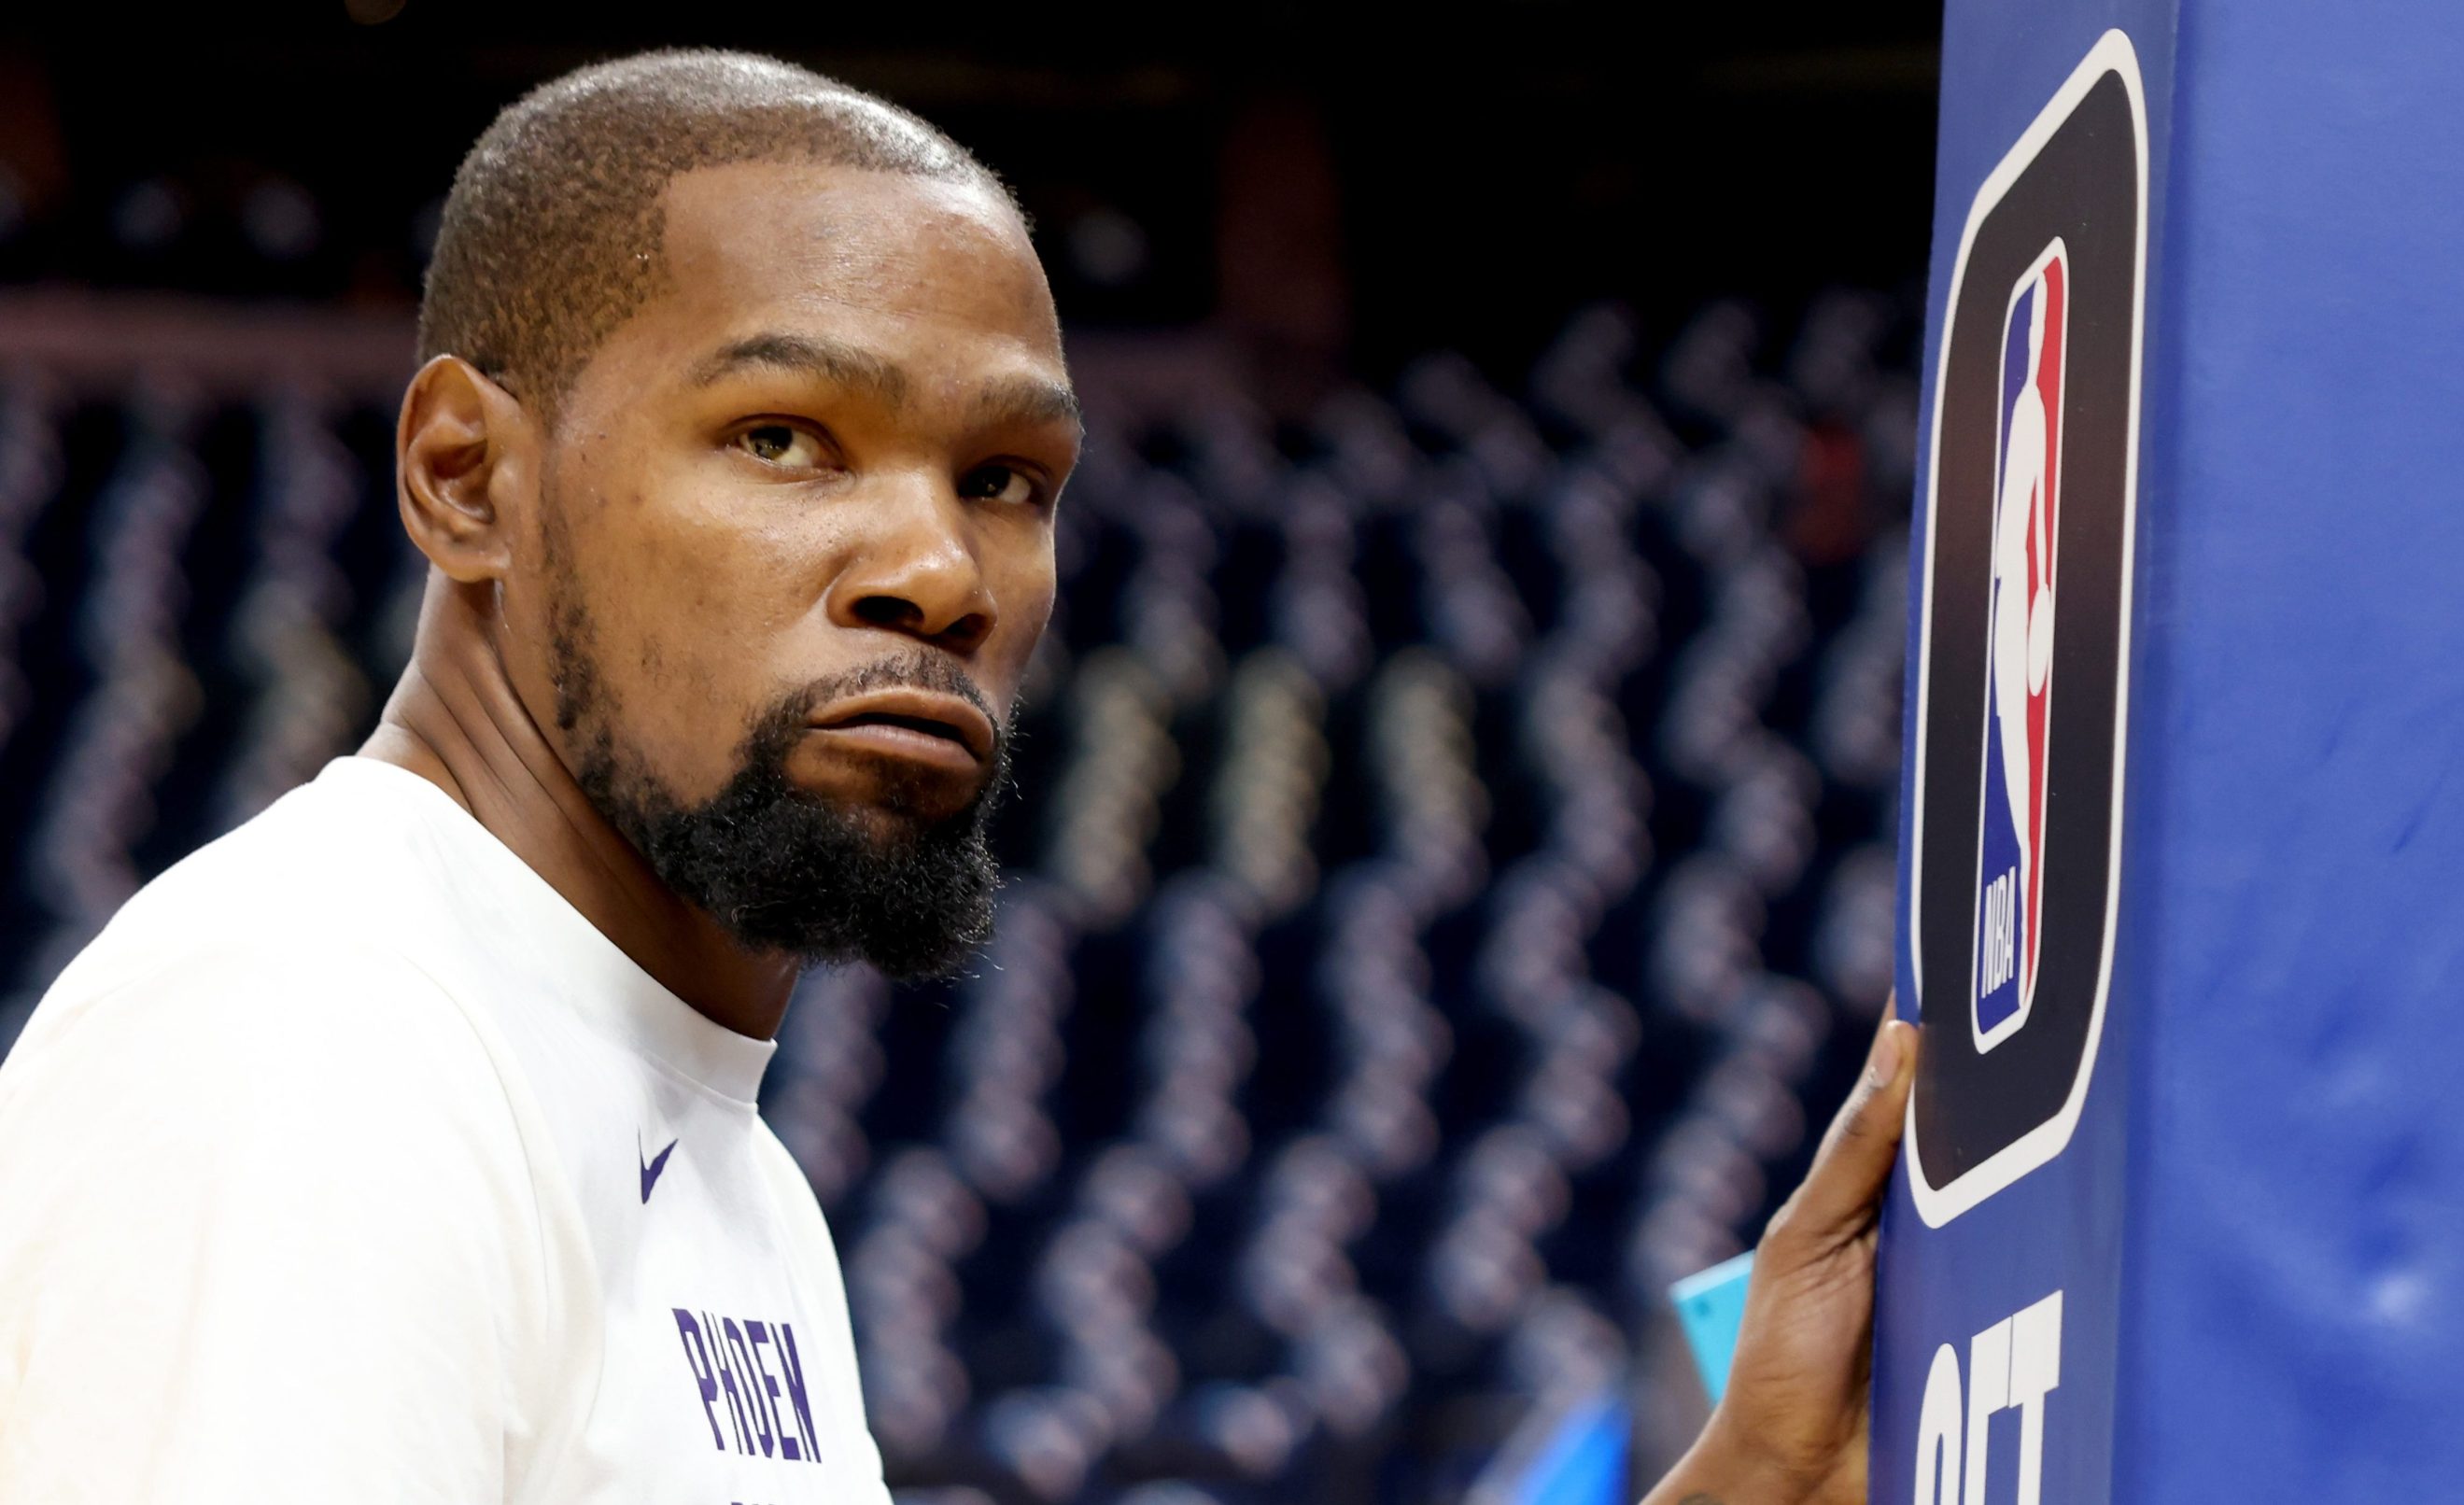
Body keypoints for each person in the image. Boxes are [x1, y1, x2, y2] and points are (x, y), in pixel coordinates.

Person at [0, 49, 1922, 1504]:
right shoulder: (324, 1039)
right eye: (782, 434)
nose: (936, 567)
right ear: (464, 477)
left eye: (1005, 478)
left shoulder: (710, 1157)